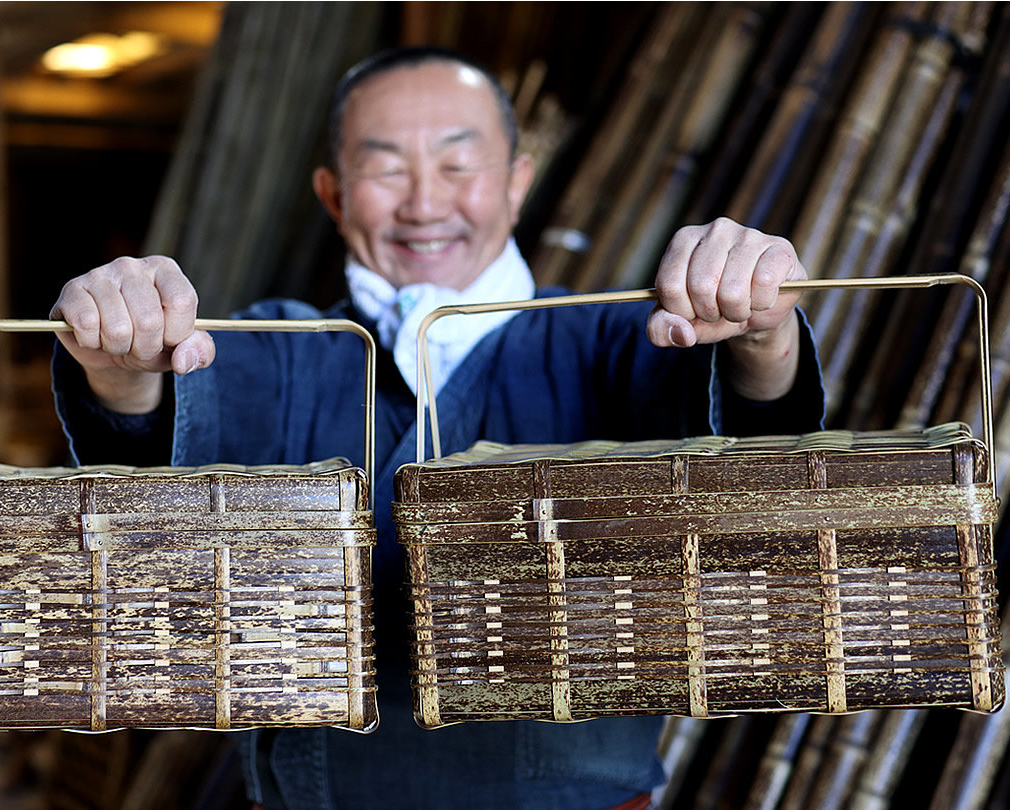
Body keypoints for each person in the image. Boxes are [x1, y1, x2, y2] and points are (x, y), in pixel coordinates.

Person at [50, 46, 824, 810]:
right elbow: (160, 436)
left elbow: (745, 450)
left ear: (519, 183)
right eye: (385, 168)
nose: (424, 202)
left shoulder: (611, 342)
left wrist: (759, 331)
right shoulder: (282, 351)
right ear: (333, 194)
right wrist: (124, 359)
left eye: (459, 165)